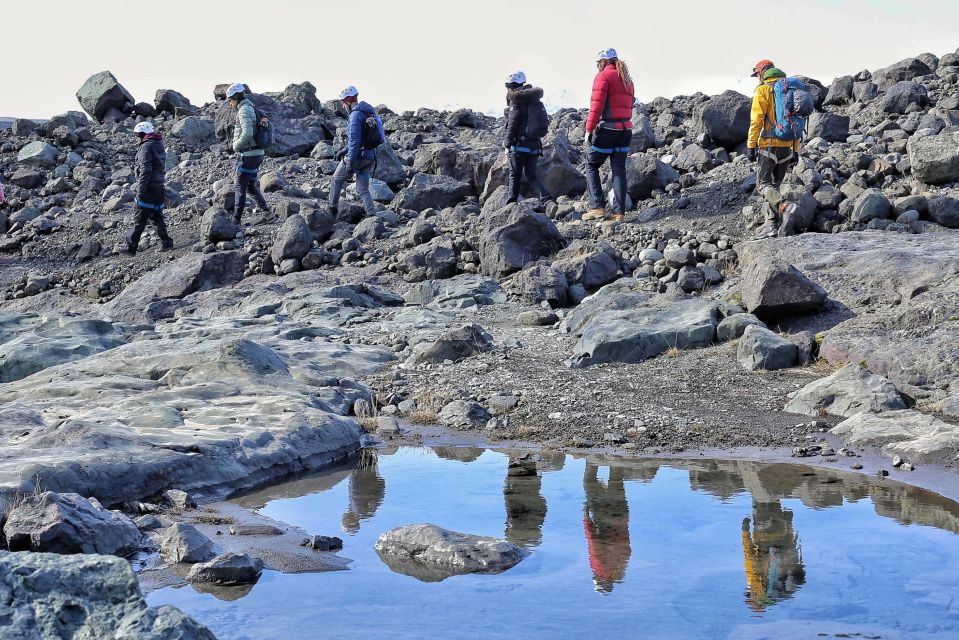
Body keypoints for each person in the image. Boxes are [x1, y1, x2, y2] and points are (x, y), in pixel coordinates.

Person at [746, 60, 800, 238]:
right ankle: (771, 226)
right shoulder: (790, 92)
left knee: (762, 185)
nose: (757, 79)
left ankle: (785, 206)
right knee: (773, 187)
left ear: (762, 73)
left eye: (757, 75)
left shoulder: (762, 91)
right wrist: (796, 149)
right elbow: (796, 122)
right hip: (788, 147)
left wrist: (751, 144)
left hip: (769, 146)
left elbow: (756, 120)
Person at [583, 48, 635, 224]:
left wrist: (589, 130)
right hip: (625, 130)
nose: (598, 66)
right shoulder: (627, 78)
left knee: (591, 164)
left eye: (598, 63)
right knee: (618, 169)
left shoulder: (603, 76)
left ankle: (597, 207)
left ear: (603, 62)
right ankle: (618, 214)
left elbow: (596, 106)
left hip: (608, 130)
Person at [329, 85, 384, 218]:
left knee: (336, 179)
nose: (342, 106)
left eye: (343, 102)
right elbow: (376, 138)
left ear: (348, 100)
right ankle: (372, 215)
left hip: (358, 157)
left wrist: (349, 164)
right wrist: (343, 150)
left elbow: (354, 142)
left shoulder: (355, 115)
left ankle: (331, 211)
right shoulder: (371, 114)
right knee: (363, 189)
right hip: (370, 158)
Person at [503, 71, 552, 210]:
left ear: (510, 87)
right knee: (532, 176)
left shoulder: (516, 100)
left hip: (519, 146)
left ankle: (511, 205)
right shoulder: (535, 99)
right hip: (534, 146)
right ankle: (548, 200)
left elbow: (512, 124)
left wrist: (507, 145)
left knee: (514, 176)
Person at [227, 82, 271, 225]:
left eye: (230, 100)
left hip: (249, 155)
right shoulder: (251, 107)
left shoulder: (244, 110)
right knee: (250, 186)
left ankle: (236, 220)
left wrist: (235, 146)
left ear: (235, 97)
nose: (230, 104)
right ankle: (267, 213)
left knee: (240, 185)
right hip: (257, 153)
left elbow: (247, 133)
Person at [126, 121, 173, 255]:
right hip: (159, 186)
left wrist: (141, 190)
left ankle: (130, 248)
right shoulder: (158, 144)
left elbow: (145, 170)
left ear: (142, 134)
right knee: (155, 215)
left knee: (139, 218)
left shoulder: (145, 147)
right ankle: (166, 242)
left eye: (137, 135)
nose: (136, 138)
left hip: (148, 187)